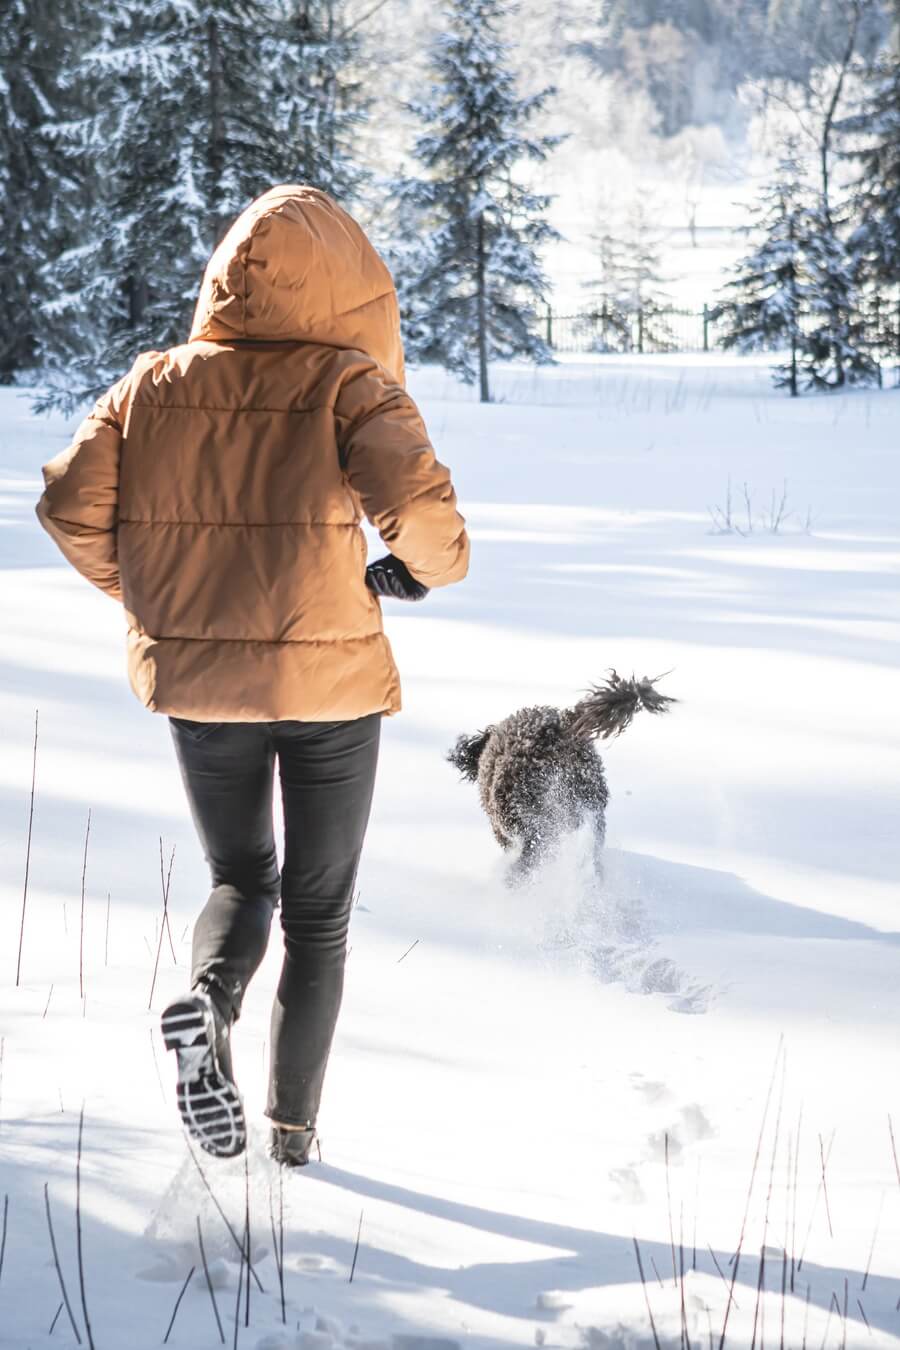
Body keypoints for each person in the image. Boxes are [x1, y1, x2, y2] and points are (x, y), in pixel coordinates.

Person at [35, 185, 469, 1165]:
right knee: (320, 914)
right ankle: (292, 1133)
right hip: (334, 689)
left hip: (202, 690)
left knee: (240, 879)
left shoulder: (152, 384)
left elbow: (66, 505)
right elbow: (429, 525)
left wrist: (167, 602)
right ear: (348, 290)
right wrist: (415, 570)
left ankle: (207, 1005)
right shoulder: (351, 384)